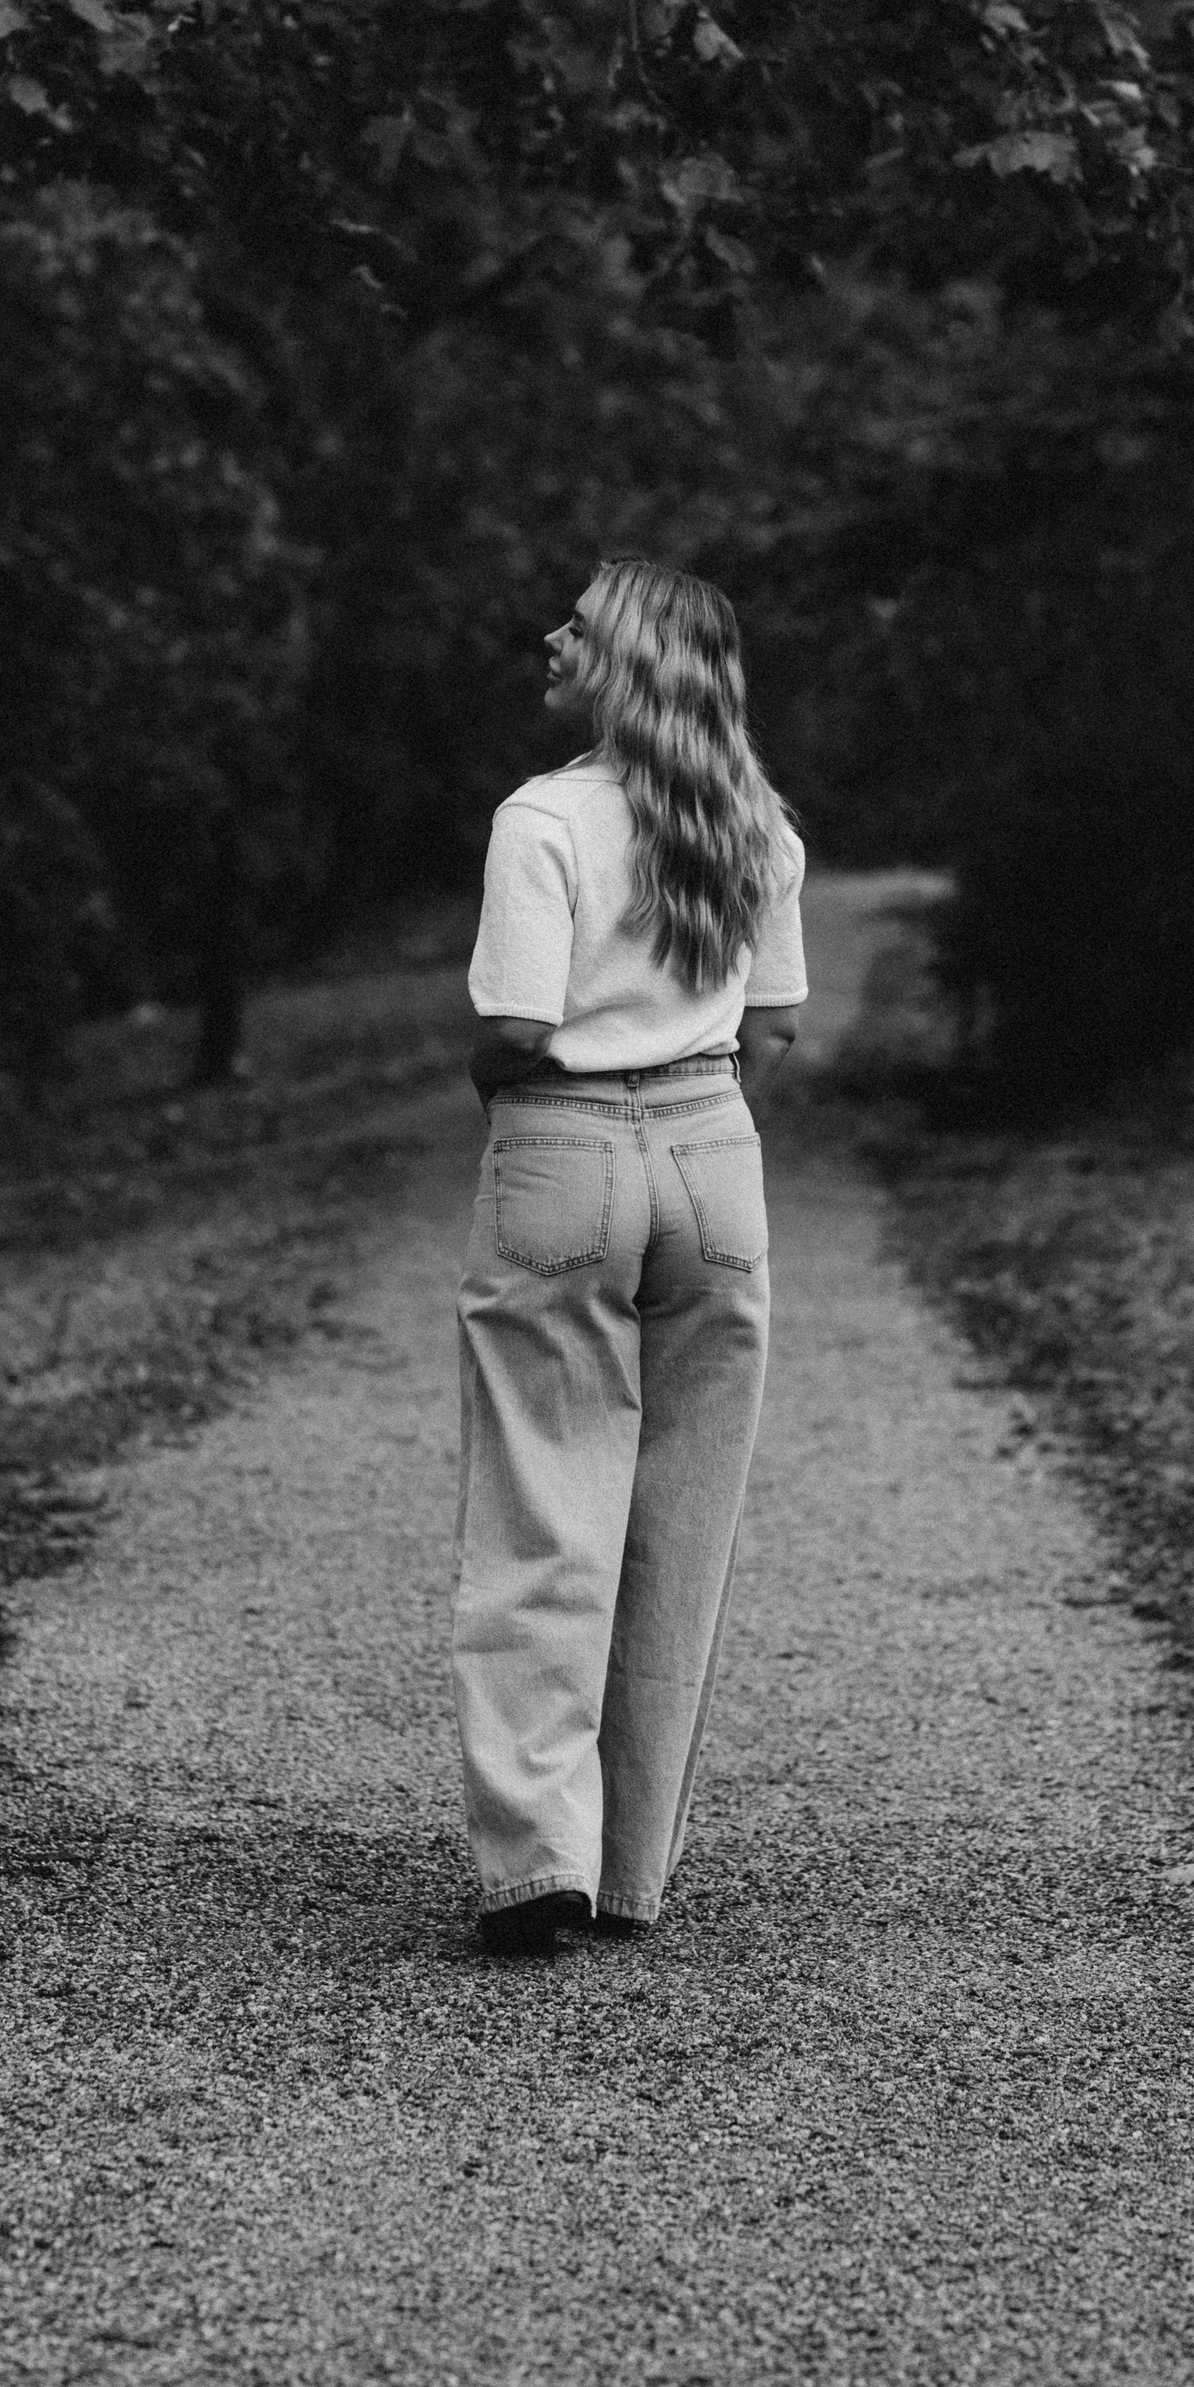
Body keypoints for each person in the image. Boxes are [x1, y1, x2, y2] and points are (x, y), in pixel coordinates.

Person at [453, 556, 807, 1956]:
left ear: (632, 665)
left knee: (546, 1501)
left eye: (579, 628)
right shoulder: (755, 826)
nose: (551, 637)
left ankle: (540, 1854)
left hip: (566, 1145)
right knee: (683, 1520)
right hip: (715, 1152)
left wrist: (504, 1100)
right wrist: (692, 1116)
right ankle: (630, 1869)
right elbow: (774, 1027)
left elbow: (518, 1026)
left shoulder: (543, 819)